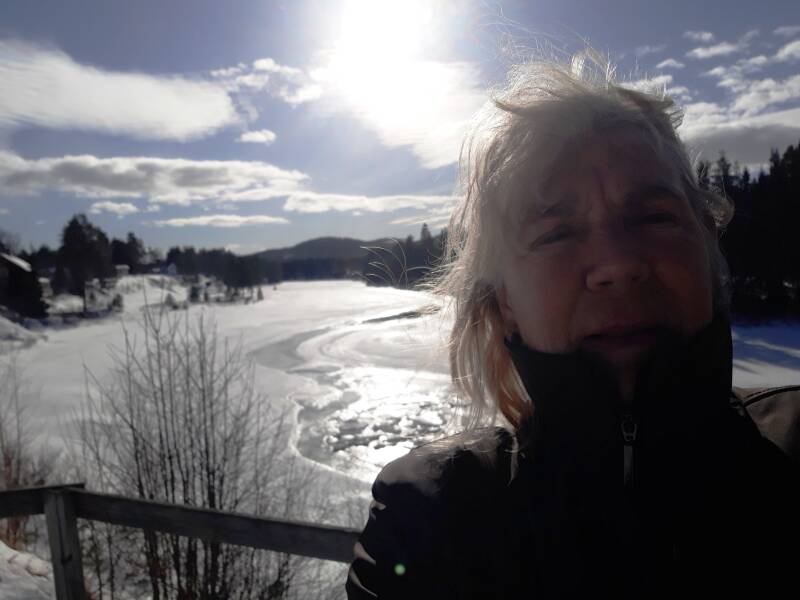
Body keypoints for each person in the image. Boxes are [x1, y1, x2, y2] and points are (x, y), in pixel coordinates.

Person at [345, 54, 800, 599]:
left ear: (706, 245)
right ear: (505, 300)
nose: (618, 264)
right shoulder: (431, 519)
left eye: (655, 217)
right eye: (556, 234)